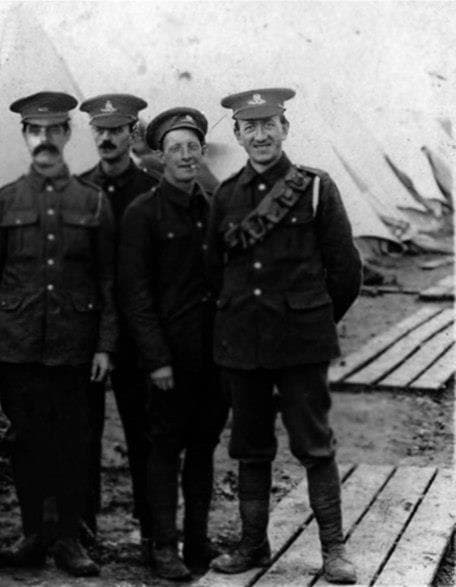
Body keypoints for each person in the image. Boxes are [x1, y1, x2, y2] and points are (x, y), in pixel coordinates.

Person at [206, 88, 361, 584]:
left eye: (268, 123)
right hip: (244, 345)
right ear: (236, 135)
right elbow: (216, 272)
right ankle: (253, 545)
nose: (260, 135)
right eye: (249, 127)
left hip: (300, 346)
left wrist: (311, 319)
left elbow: (346, 271)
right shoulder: (226, 195)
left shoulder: (315, 187)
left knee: (314, 445)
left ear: (285, 128)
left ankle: (333, 550)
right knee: (250, 448)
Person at [0, 91, 116, 577]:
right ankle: (33, 532)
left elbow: (109, 282)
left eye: (55, 130)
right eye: (36, 131)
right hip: (17, 345)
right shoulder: (5, 201)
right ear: (25, 137)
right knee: (26, 442)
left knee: (74, 443)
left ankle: (70, 540)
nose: (45, 139)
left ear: (67, 135)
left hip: (75, 347)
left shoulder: (92, 202)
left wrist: (104, 345)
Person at [118, 107, 229, 579]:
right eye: (175, 149)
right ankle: (163, 545)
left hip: (213, 358)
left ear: (202, 152)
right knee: (163, 450)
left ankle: (198, 541)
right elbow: (135, 294)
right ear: (160, 159)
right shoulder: (142, 213)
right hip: (168, 360)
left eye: (191, 148)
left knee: (203, 448)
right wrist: (156, 359)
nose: (185, 156)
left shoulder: (214, 206)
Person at [76, 93, 156, 547]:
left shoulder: (151, 190)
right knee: (84, 435)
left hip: (139, 335)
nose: (107, 138)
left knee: (144, 436)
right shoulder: (78, 189)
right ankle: (83, 531)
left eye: (116, 130)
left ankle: (152, 533)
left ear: (132, 133)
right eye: (100, 130)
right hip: (90, 335)